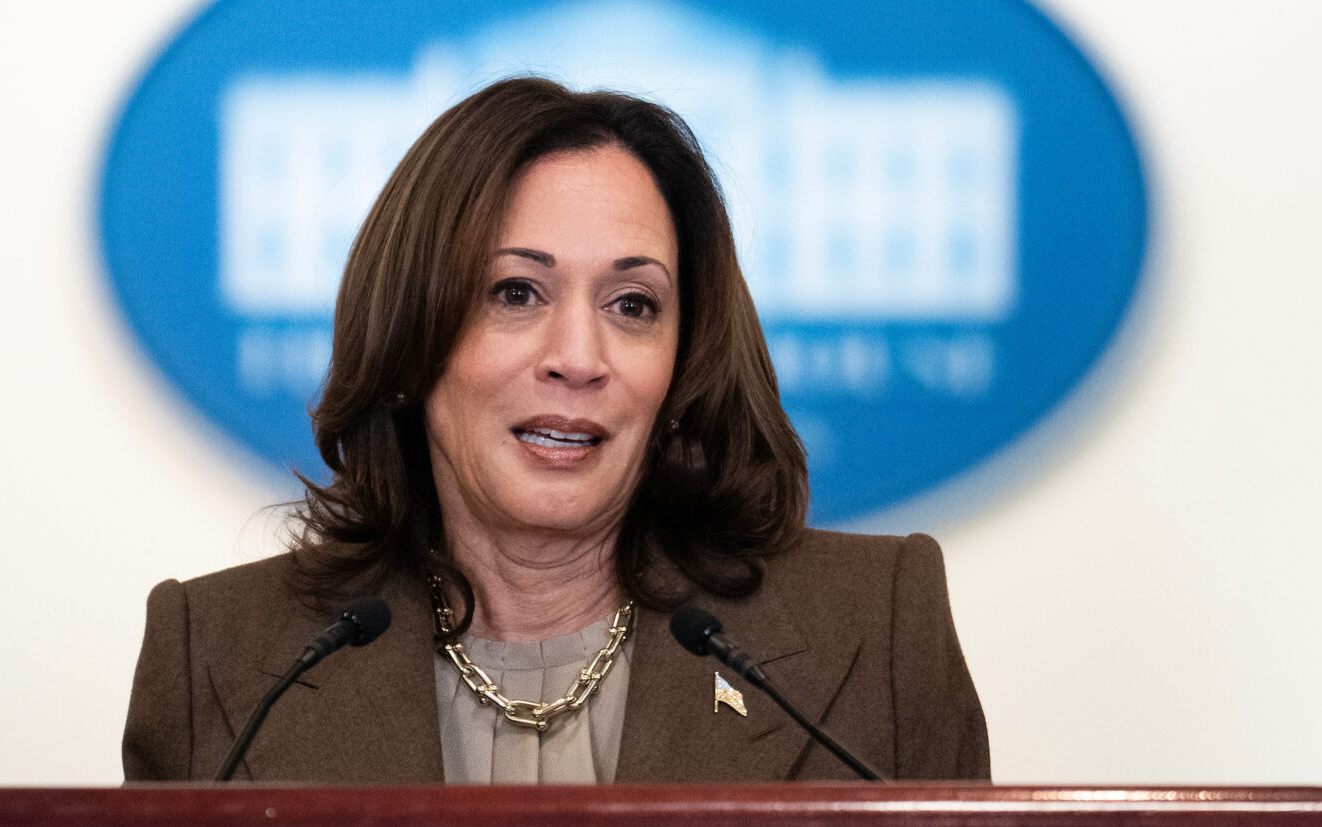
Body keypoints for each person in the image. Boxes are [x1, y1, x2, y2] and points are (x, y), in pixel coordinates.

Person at [124, 77, 988, 784]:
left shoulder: (876, 630)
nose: (578, 357)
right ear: (411, 338)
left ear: (683, 363)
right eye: (515, 293)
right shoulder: (220, 659)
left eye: (633, 305)